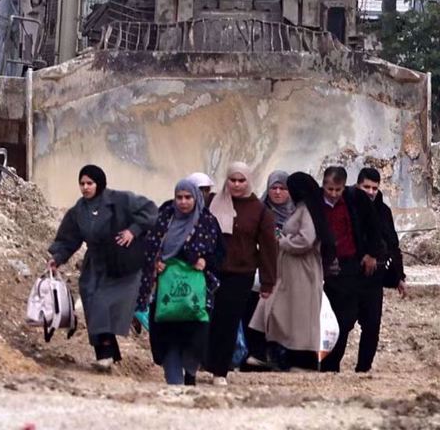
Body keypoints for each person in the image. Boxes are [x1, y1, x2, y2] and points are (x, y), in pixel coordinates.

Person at [48, 165, 158, 372]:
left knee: (105, 305)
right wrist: (57, 258)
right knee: (92, 304)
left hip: (120, 263)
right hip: (95, 265)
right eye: (82, 183)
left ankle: (107, 353)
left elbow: (150, 210)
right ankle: (105, 354)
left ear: (99, 183)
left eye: (90, 183)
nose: (85, 188)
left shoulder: (120, 200)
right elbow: (69, 238)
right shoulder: (79, 211)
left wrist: (133, 231)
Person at [137, 179, 222, 385]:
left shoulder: (207, 222)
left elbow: (219, 253)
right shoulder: (163, 219)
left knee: (194, 340)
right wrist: (156, 262)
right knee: (168, 341)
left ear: (196, 198)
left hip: (195, 293)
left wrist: (204, 260)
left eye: (188, 197)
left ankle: (190, 375)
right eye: (179, 197)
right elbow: (149, 247)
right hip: (165, 291)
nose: (183, 202)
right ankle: (175, 385)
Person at [250, 172, 335, 370]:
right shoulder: (304, 209)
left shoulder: (306, 210)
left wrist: (282, 242)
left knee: (299, 316)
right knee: (278, 310)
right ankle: (268, 354)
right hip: (291, 270)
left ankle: (302, 361)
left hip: (302, 270)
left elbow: (306, 239)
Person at [204, 162, 279, 385]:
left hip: (240, 273)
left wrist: (268, 282)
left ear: (248, 181)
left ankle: (220, 371)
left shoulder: (259, 211)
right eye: (232, 180)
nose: (236, 185)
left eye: (241, 180)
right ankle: (202, 362)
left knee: (228, 322)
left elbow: (268, 248)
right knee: (206, 319)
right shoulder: (212, 202)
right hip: (209, 271)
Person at [319, 166, 385, 373]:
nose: (333, 194)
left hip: (356, 265)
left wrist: (372, 253)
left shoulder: (356, 200)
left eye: (337, 190)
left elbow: (376, 230)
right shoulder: (316, 203)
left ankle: (363, 368)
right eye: (329, 189)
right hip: (333, 269)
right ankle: (330, 366)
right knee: (340, 321)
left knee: (369, 322)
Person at [242, 170, 295, 368]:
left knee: (280, 317)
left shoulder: (296, 213)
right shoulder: (259, 211)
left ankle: (279, 356)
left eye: (283, 188)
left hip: (287, 272)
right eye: (274, 187)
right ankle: (256, 354)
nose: (278, 192)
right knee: (254, 314)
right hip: (259, 271)